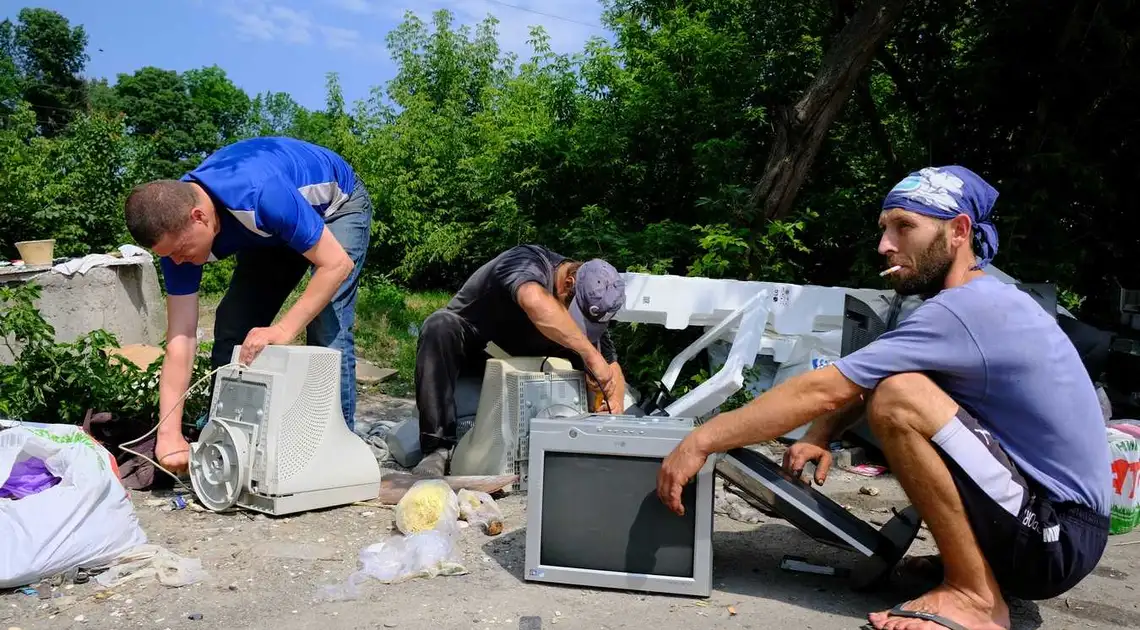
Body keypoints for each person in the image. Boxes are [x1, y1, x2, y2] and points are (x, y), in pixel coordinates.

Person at [656, 166, 1111, 630]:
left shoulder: (965, 310)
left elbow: (823, 387)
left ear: (959, 231)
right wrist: (821, 434)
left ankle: (975, 596)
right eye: (884, 229)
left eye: (905, 227)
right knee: (898, 384)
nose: (885, 245)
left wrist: (700, 440)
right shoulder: (978, 301)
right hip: (1052, 531)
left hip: (1055, 538)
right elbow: (865, 381)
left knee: (900, 398)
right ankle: (982, 567)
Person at [123, 136, 372, 475]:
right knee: (233, 324)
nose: (178, 262)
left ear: (199, 216)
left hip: (335, 207)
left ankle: (339, 450)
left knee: (327, 321)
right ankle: (224, 443)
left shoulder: (260, 195)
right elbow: (181, 338)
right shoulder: (173, 235)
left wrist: (283, 330)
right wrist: (168, 434)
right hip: (271, 232)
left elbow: (336, 265)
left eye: (181, 250)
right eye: (169, 256)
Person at [413, 244, 628, 476]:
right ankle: (436, 450)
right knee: (439, 325)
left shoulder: (588, 302)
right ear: (568, 283)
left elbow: (611, 367)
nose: (580, 326)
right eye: (575, 314)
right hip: (476, 349)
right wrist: (590, 354)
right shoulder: (525, 261)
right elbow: (533, 300)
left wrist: (613, 409)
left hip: (524, 366)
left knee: (594, 364)